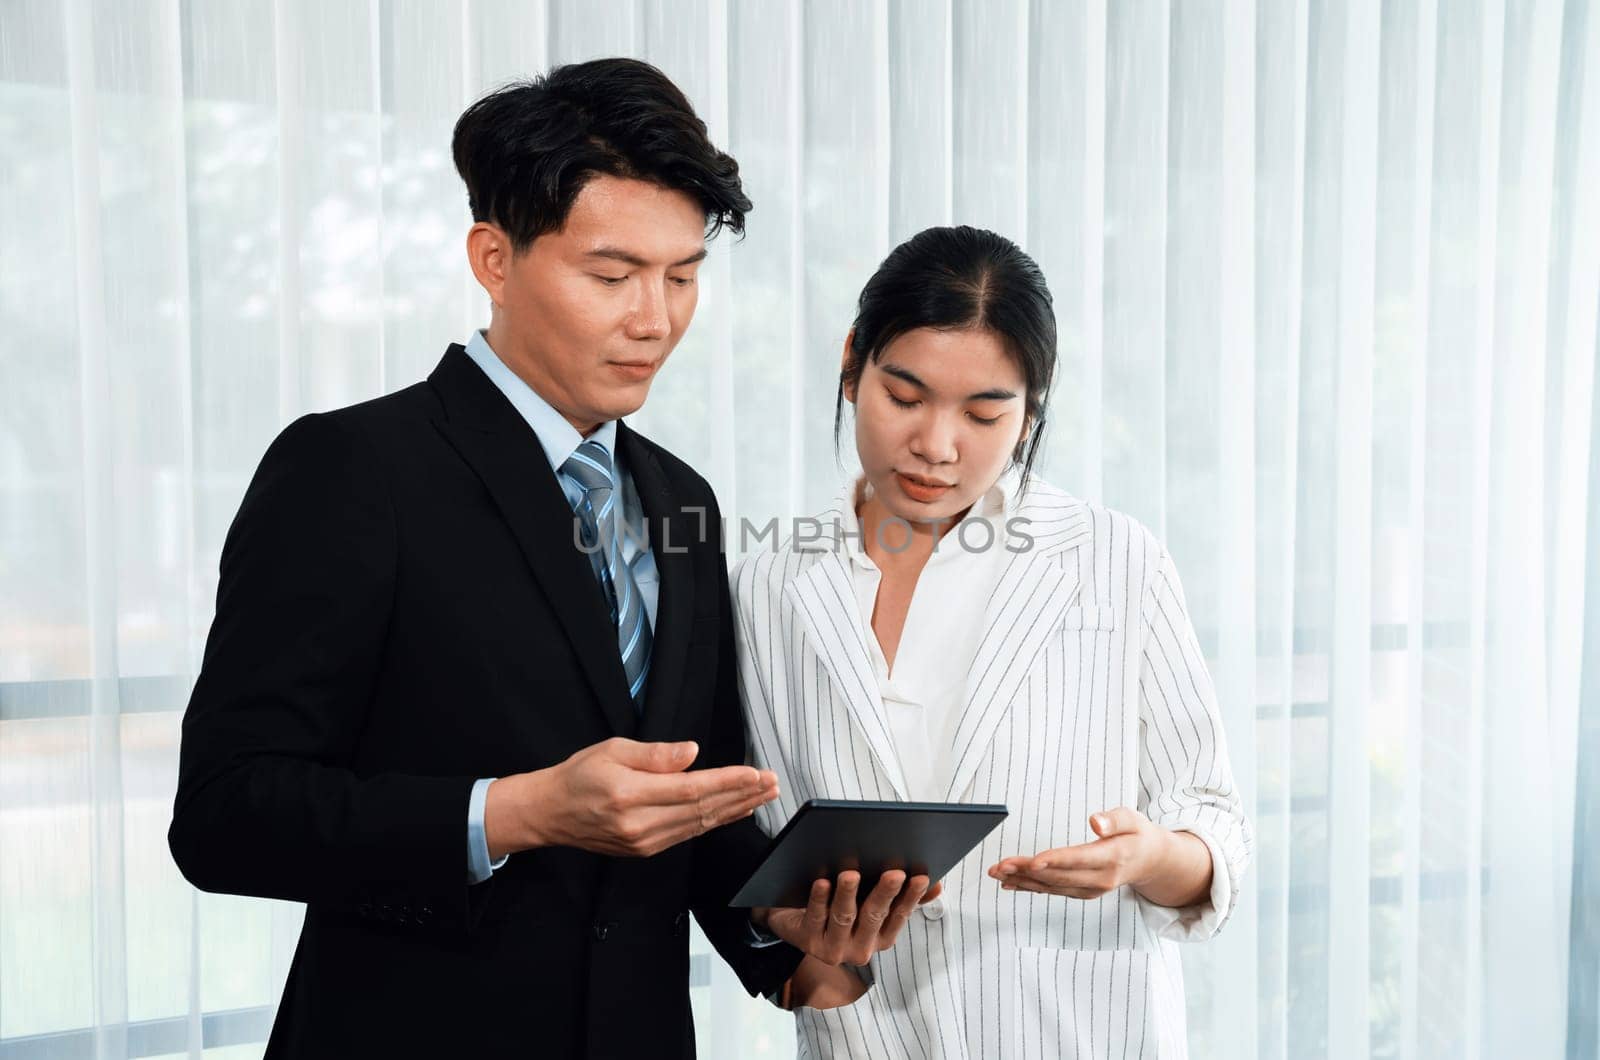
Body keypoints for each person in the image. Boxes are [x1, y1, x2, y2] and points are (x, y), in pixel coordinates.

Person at [168, 58, 927, 1058]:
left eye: (683, 276)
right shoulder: (354, 470)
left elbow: (691, 797)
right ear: (493, 256)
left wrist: (790, 940)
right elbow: (227, 813)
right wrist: (519, 811)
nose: (653, 318)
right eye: (611, 276)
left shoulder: (678, 496)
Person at [733, 226, 1253, 1058]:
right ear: (850, 364)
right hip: (868, 1038)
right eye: (904, 397)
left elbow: (1213, 828)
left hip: (1079, 1030)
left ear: (1031, 407)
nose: (937, 447)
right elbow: (756, 841)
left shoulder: (1116, 561)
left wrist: (1145, 856)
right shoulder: (767, 584)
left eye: (984, 412)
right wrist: (795, 943)